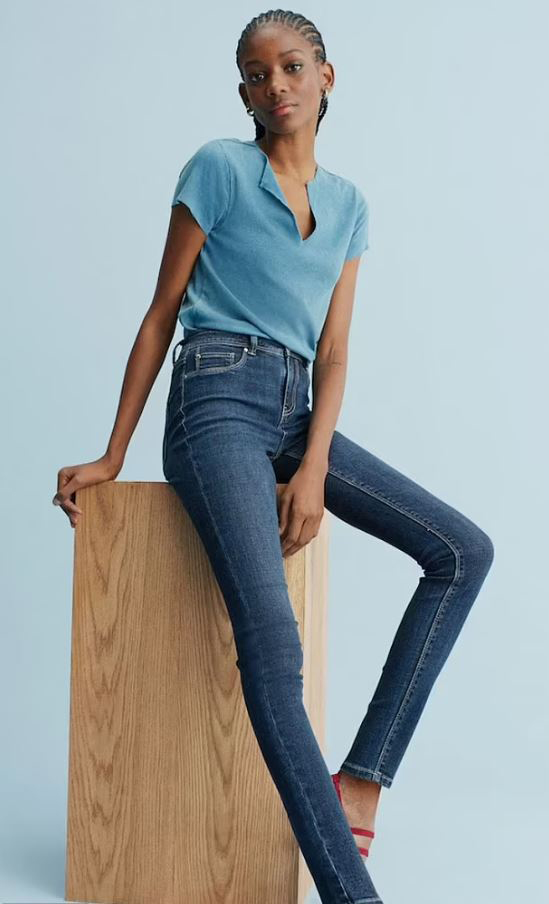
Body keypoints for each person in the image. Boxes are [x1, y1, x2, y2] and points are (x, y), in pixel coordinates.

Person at [53, 10, 494, 904]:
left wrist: (316, 463)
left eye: (291, 67)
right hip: (213, 399)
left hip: (298, 413)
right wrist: (111, 454)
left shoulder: (350, 208)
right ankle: (350, 894)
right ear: (243, 92)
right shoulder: (217, 169)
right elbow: (160, 311)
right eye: (255, 75)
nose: (274, 86)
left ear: (328, 76)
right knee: (272, 645)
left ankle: (362, 776)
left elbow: (333, 354)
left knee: (459, 551)